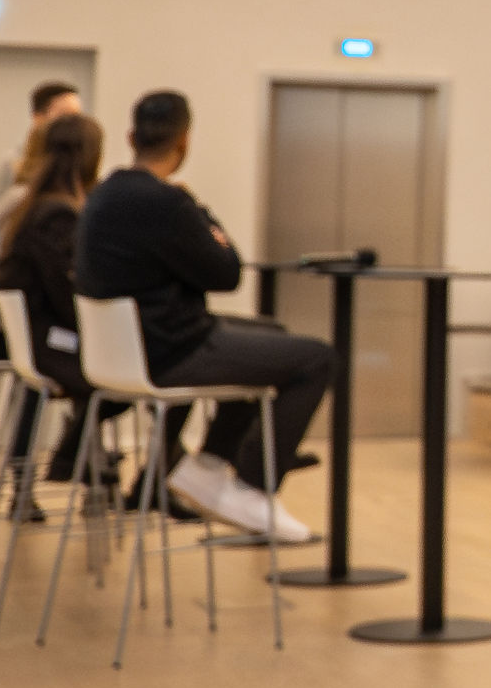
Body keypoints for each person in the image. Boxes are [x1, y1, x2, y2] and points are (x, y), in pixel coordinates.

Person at [73, 90, 336, 546]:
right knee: (317, 359)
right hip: (172, 349)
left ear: (131, 136)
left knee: (269, 337)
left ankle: (210, 466)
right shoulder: (167, 203)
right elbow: (226, 271)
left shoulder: (102, 196)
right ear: (185, 142)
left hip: (126, 350)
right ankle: (253, 488)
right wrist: (200, 213)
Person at [0, 110, 103, 502]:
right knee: (136, 371)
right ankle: (79, 460)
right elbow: (69, 297)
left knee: (124, 367)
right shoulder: (57, 213)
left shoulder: (32, 202)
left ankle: (86, 461)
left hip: (36, 339)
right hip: (49, 343)